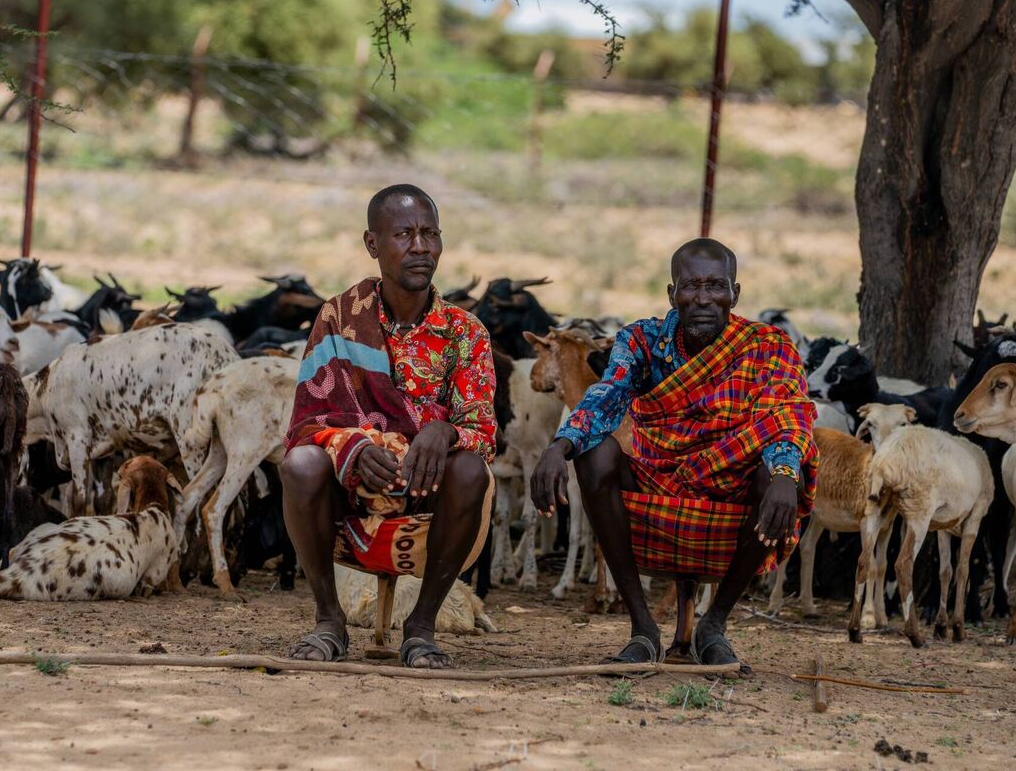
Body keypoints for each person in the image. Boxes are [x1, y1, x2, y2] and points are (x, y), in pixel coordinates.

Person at [531, 238, 818, 669]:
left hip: (729, 487)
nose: (703, 299)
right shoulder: (642, 341)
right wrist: (561, 445)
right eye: (691, 286)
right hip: (658, 481)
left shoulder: (769, 346)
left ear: (735, 294)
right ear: (672, 294)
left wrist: (783, 473)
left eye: (716, 286)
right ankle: (643, 628)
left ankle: (714, 625)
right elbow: (607, 396)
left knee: (781, 474)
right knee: (594, 454)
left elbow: (787, 413)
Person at [281, 183, 497, 669]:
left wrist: (445, 433)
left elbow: (482, 430)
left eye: (430, 234)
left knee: (471, 470)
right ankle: (328, 621)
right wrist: (352, 447)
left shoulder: (465, 332)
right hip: (353, 484)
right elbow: (307, 421)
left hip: (430, 485)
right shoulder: (339, 317)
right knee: (299, 464)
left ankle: (420, 628)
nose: (421, 247)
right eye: (404, 234)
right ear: (373, 244)